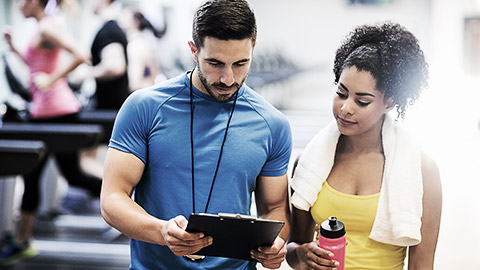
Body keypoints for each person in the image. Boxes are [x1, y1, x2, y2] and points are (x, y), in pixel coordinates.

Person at [100, 0, 292, 269]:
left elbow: (274, 209)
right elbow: (112, 199)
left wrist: (274, 247)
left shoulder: (272, 124)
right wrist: (162, 232)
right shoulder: (144, 107)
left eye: (240, 63)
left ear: (253, 50)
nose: (228, 78)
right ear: (193, 50)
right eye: (215, 63)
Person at [286, 22, 442, 270]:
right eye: (341, 93)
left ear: (389, 104)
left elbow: (421, 267)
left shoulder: (422, 171)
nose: (346, 108)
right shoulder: (308, 162)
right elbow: (294, 248)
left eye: (362, 101)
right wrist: (302, 254)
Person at [0, 0, 102, 266]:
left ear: (34, 2)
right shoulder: (41, 29)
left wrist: (52, 79)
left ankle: (129, 199)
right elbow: (37, 64)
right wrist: (14, 49)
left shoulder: (47, 28)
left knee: (73, 175)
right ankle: (21, 241)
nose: (19, 4)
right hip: (43, 113)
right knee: (33, 175)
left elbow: (81, 54)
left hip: (57, 113)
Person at [82, 0, 130, 110]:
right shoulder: (109, 29)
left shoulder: (109, 31)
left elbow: (114, 67)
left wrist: (86, 73)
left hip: (111, 110)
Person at [119, 8, 166, 91]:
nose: (120, 21)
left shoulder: (135, 45)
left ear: (135, 23)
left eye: (124, 17)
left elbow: (135, 84)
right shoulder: (143, 42)